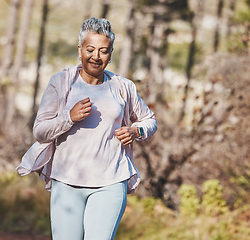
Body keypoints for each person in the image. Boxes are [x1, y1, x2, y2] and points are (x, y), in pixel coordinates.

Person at [17, 17, 157, 240]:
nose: (96, 56)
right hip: (67, 181)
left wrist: (135, 131)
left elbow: (149, 120)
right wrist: (68, 117)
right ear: (80, 49)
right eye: (90, 49)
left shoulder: (123, 87)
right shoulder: (61, 82)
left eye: (103, 51)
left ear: (110, 54)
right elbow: (40, 131)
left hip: (111, 181)